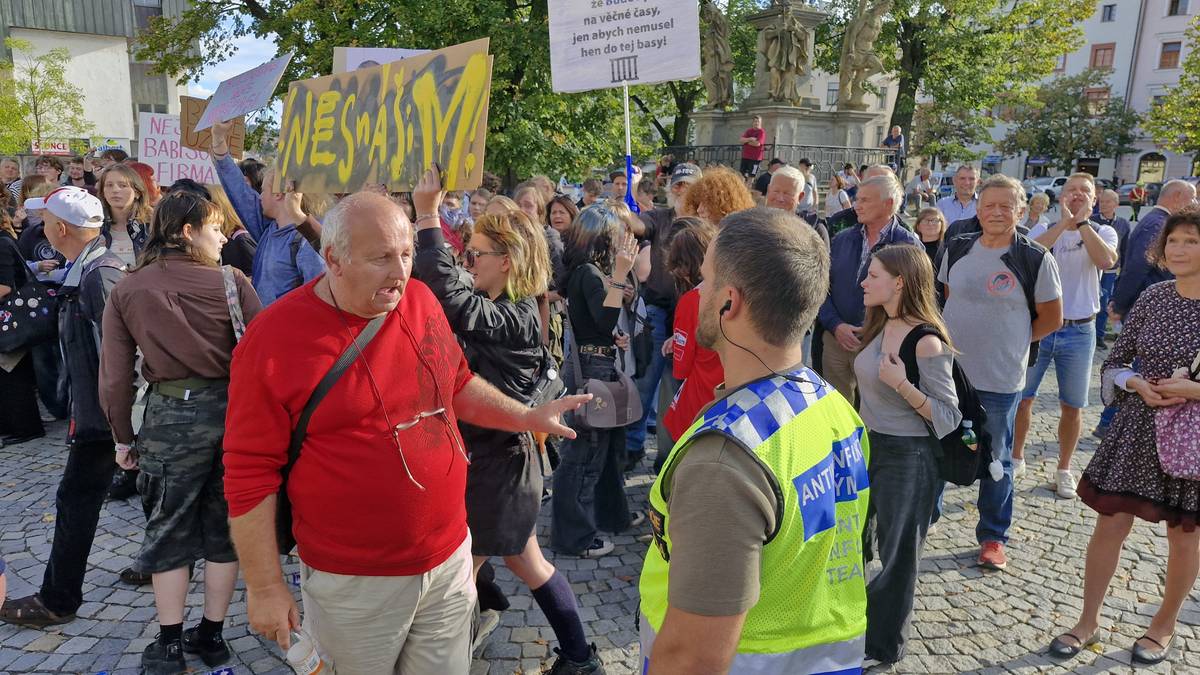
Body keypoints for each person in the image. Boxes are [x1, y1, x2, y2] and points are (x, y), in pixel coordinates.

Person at [221, 191, 588, 673]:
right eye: (381, 258)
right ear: (333, 259)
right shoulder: (273, 339)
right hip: (355, 581)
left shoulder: (418, 299)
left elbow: (456, 383)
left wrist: (524, 417)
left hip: (449, 562)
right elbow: (249, 472)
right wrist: (266, 586)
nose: (400, 271)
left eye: (407, 254)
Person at [639, 207, 869, 674]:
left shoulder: (723, 460)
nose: (696, 291)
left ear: (729, 303)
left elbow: (692, 659)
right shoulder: (832, 406)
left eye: (705, 280)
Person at [411, 175, 604, 674]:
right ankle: (578, 656)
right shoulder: (501, 304)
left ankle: (454, 651)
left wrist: (429, 216)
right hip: (493, 462)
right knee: (525, 562)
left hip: (501, 467)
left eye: (475, 254)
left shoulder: (518, 316)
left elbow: (451, 298)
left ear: (507, 261)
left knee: (456, 577)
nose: (468, 261)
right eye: (467, 252)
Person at [98, 192, 260, 674]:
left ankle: (169, 644)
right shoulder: (232, 281)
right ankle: (212, 635)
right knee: (225, 529)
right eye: (215, 228)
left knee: (168, 528)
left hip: (170, 417)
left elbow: (115, 377)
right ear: (186, 231)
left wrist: (122, 437)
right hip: (233, 418)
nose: (223, 238)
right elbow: (266, 353)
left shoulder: (129, 288)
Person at [1049, 208, 1200, 666]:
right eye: (1173, 241)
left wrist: (1193, 390)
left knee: (1184, 537)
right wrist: (1135, 383)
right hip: (1137, 426)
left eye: (1191, 241)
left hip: (1192, 438)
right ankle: (1087, 621)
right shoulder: (1153, 297)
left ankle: (1163, 625)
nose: (1179, 249)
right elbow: (1116, 362)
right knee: (1110, 523)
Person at [0, 186, 125, 629]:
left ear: (60, 229)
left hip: (102, 419)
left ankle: (58, 599)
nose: (42, 229)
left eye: (46, 222)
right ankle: (156, 561)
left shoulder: (99, 275)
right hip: (98, 414)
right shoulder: (87, 269)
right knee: (142, 495)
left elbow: (118, 357)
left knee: (75, 501)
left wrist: (122, 431)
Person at [938, 174, 1063, 570]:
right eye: (988, 205)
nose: (996, 212)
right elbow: (948, 298)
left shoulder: (1035, 258)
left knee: (996, 460)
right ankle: (926, 517)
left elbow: (1051, 319)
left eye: (1005, 206)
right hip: (949, 373)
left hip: (999, 378)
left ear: (1021, 211)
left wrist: (1012, 340)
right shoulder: (956, 248)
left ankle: (993, 536)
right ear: (977, 210)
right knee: (939, 445)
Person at [854, 244, 960, 666]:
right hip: (868, 446)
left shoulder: (927, 341)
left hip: (908, 457)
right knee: (857, 541)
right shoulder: (880, 323)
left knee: (897, 555)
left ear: (899, 282)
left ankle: (883, 646)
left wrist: (901, 384)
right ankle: (853, 624)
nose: (864, 282)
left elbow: (949, 416)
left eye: (873, 275)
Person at [1011, 174, 1118, 499]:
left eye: (1085, 191)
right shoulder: (1045, 229)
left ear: (1094, 199)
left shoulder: (1103, 231)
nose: (1077, 195)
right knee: (1023, 397)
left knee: (1073, 404)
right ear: (1061, 197)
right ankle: (1016, 457)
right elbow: (1030, 254)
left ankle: (1064, 468)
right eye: (1071, 190)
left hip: (1080, 330)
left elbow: (1106, 261)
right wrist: (1065, 223)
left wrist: (1082, 223)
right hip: (1041, 327)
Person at [552, 205, 641, 558]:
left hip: (596, 363)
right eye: (616, 237)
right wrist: (619, 274)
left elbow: (597, 325)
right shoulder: (589, 272)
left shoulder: (585, 272)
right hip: (592, 370)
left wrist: (612, 338)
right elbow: (604, 320)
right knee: (584, 454)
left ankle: (608, 516)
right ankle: (575, 537)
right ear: (604, 239)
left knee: (603, 450)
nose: (622, 244)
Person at [818, 174, 922, 402]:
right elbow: (822, 288)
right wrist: (835, 325)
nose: (857, 205)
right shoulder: (842, 240)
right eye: (857, 199)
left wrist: (877, 333)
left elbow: (915, 301)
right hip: (836, 341)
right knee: (837, 409)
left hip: (882, 347)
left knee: (875, 412)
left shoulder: (907, 246)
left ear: (888, 204)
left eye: (865, 200)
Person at [209, 118, 325, 305]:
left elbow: (319, 300)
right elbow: (239, 191)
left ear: (279, 194)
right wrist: (218, 139)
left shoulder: (306, 242)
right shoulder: (269, 229)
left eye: (262, 190)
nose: (259, 197)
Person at [660, 218, 720, 443]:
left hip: (700, 394)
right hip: (732, 391)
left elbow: (681, 368)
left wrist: (680, 342)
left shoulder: (691, 301)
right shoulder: (737, 292)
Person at [1111, 179, 1197, 322]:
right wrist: (1119, 305)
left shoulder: (1157, 220)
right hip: (1148, 308)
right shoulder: (1159, 224)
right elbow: (1137, 267)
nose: (1195, 203)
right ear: (1177, 196)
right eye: (1193, 198)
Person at [0, 209, 45, 445]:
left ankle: (26, 427)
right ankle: (13, 426)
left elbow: (4, 287)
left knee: (13, 374)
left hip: (11, 320)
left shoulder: (2, 243)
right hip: (9, 320)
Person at [1094, 188, 1132, 349]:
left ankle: (1099, 335)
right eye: (1101, 201)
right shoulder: (1092, 221)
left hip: (1110, 271)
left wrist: (1124, 271)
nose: (1103, 205)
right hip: (1093, 269)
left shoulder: (1123, 223)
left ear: (1116, 204)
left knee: (1104, 302)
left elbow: (1125, 249)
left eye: (1107, 202)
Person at [97, 163, 153, 266]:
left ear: (137, 192)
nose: (115, 190)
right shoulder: (95, 226)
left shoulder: (153, 226)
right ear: (103, 192)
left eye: (123, 185)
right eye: (109, 185)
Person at [765, 165, 830, 247]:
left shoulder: (814, 228)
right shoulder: (753, 223)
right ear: (768, 190)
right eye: (776, 191)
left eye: (787, 193)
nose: (780, 198)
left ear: (800, 197)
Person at [679, 166, 756, 227]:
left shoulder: (745, 238)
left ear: (725, 205)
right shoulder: (697, 236)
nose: (699, 210)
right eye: (698, 204)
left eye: (707, 203)